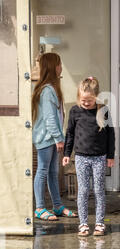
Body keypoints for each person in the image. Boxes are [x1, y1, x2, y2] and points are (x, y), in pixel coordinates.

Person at [63, 77, 115, 237]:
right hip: (81, 157)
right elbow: (70, 134)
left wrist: (111, 156)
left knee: (99, 190)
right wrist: (67, 153)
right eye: (83, 100)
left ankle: (100, 223)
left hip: (99, 156)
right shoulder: (75, 111)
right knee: (83, 191)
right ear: (79, 97)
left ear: (96, 96)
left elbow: (110, 134)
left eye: (90, 100)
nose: (86, 103)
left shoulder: (103, 111)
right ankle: (83, 224)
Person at [32, 52, 77, 221]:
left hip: (51, 138)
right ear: (53, 67)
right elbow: (50, 119)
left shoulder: (51, 89)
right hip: (46, 138)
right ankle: (39, 207)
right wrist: (59, 138)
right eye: (59, 64)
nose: (61, 67)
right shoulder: (47, 91)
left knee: (53, 171)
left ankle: (57, 206)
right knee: (43, 170)